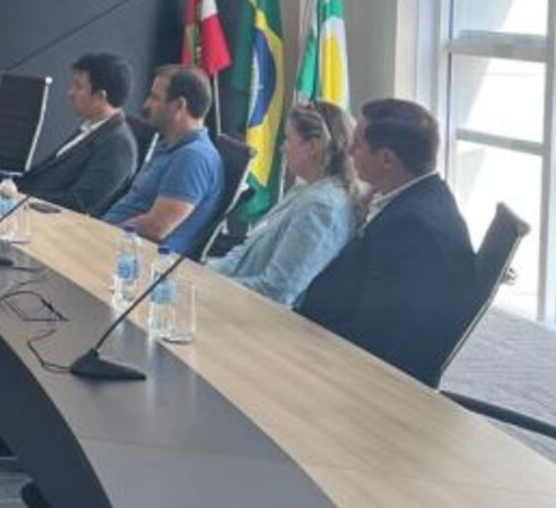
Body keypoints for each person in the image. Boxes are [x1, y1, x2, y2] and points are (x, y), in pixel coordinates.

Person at [296, 99, 477, 385]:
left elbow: (373, 336)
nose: (349, 151)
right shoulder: (424, 197)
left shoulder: (412, 228)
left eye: (357, 144)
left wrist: (297, 341)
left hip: (353, 374)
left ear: (386, 160)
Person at [209, 101, 361, 306]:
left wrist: (209, 285)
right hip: (232, 293)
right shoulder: (305, 189)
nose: (282, 148)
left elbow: (276, 291)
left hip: (252, 312)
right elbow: (245, 252)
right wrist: (206, 272)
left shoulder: (321, 207)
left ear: (312, 146)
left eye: (288, 139)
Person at [100, 66, 224, 252]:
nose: (146, 105)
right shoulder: (171, 146)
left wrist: (100, 233)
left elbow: (156, 228)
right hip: (114, 245)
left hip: (130, 256)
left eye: (155, 98)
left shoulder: (193, 157)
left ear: (179, 105)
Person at [20, 52, 139, 214]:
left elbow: (79, 203)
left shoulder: (118, 145)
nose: (70, 93)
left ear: (100, 96)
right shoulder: (91, 127)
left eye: (78, 86)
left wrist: (22, 198)